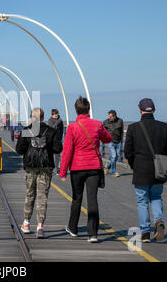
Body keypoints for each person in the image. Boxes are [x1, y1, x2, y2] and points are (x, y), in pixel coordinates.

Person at [59, 96, 112, 243]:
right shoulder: (97, 124)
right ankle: (93, 234)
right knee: (92, 199)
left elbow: (67, 151)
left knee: (77, 198)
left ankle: (73, 228)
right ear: (88, 109)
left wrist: (63, 172)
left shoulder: (72, 127)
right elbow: (108, 138)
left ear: (76, 110)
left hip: (77, 168)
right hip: (94, 167)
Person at [124, 98, 167, 243]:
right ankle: (159, 220)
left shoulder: (133, 128)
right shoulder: (163, 127)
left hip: (140, 169)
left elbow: (127, 151)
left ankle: (145, 232)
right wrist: (162, 159)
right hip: (159, 171)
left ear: (139, 110)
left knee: (142, 201)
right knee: (156, 197)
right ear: (154, 110)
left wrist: (134, 164)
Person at [16, 108, 62, 239]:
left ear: (32, 117)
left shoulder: (26, 131)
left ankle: (26, 223)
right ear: (42, 117)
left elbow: (19, 149)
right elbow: (58, 148)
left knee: (30, 194)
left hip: (30, 168)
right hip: (45, 169)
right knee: (42, 197)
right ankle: (40, 226)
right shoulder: (51, 131)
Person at [102, 110, 124, 177]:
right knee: (114, 156)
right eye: (109, 116)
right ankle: (114, 172)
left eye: (111, 117)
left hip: (118, 141)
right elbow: (103, 132)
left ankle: (107, 167)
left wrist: (121, 139)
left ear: (114, 116)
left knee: (116, 157)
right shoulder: (105, 122)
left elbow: (122, 131)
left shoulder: (120, 121)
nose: (109, 118)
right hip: (110, 142)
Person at [47, 109, 64, 176]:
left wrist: (60, 138)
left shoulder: (60, 121)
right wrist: (57, 122)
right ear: (52, 115)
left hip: (58, 140)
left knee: (57, 155)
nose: (56, 115)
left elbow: (62, 130)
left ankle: (57, 169)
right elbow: (52, 129)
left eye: (56, 114)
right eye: (54, 114)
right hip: (51, 140)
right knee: (51, 155)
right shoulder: (50, 121)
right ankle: (51, 168)